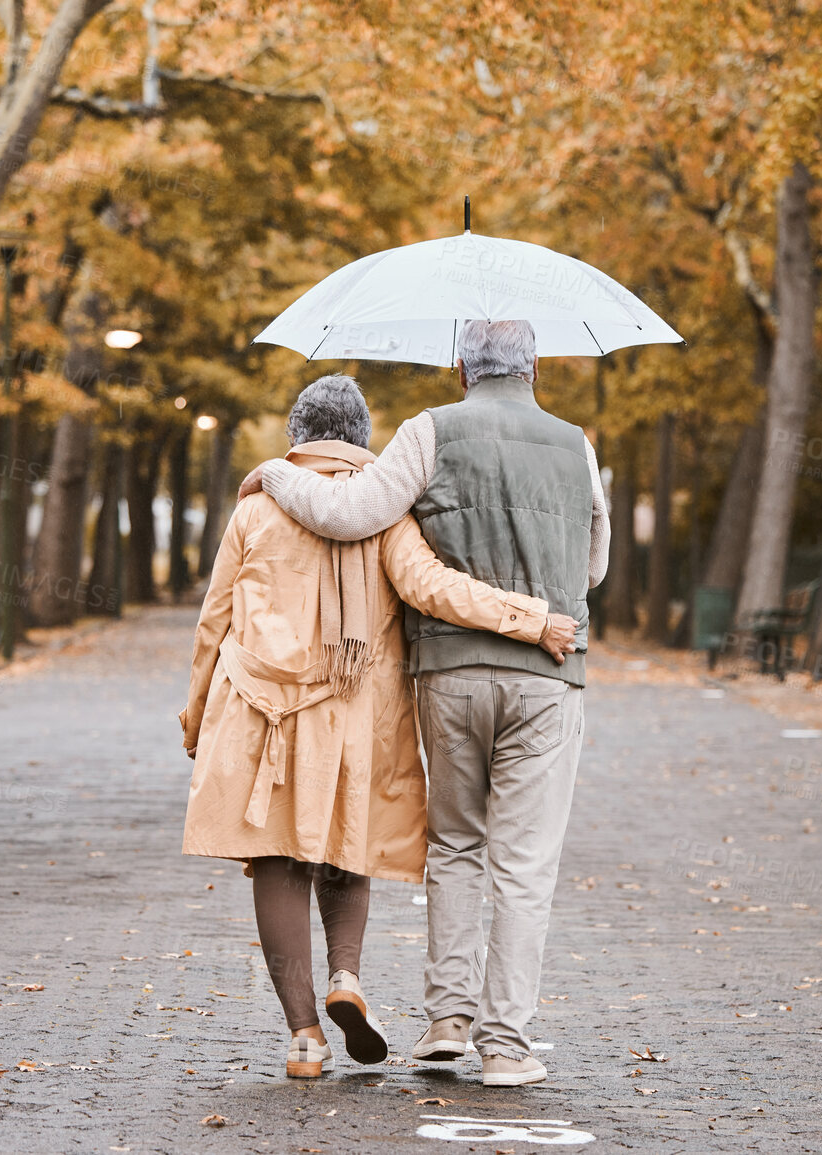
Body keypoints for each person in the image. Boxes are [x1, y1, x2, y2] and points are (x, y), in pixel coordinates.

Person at [240, 320, 607, 1087]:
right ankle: (504, 1044)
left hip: (450, 673)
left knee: (457, 845)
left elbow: (349, 512)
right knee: (524, 863)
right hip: (548, 675)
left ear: (459, 368)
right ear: (533, 367)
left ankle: (446, 1020)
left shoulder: (427, 430)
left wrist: (276, 474)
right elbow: (594, 563)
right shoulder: (578, 444)